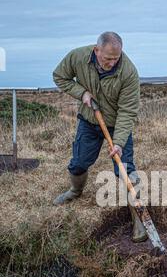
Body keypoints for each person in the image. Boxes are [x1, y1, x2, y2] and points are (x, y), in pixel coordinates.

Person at [52, 31, 147, 242]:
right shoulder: (78, 57)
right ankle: (75, 191)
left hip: (117, 124)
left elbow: (128, 111)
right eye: (107, 58)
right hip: (89, 120)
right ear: (97, 50)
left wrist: (119, 142)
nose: (112, 63)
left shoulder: (129, 72)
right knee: (78, 163)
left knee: (125, 169)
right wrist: (82, 93)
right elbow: (59, 76)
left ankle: (138, 218)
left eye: (116, 58)